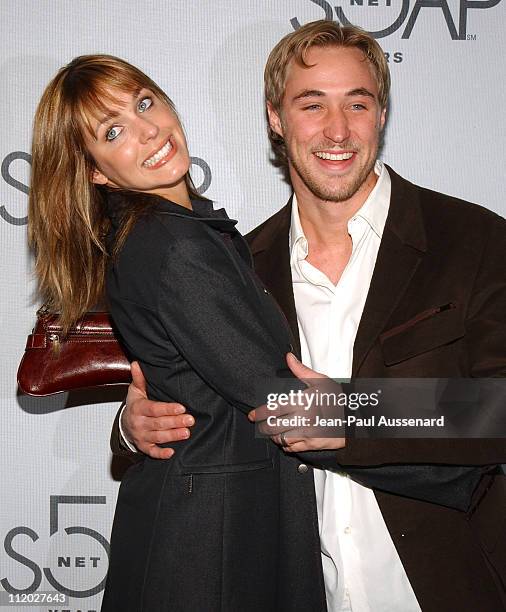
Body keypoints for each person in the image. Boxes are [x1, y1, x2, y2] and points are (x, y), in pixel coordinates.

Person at [29, 52, 446, 612]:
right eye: (113, 130)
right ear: (97, 172)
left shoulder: (206, 236)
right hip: (214, 549)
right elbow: (276, 397)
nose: (148, 130)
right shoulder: (178, 247)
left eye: (145, 102)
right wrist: (461, 471)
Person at [116, 21, 506, 611]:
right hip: (290, 586)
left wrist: (354, 411)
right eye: (311, 104)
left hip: (448, 583)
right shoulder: (237, 264)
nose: (337, 130)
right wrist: (134, 428)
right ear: (276, 118)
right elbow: (211, 414)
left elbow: (499, 410)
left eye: (357, 102)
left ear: (381, 114)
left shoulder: (473, 240)